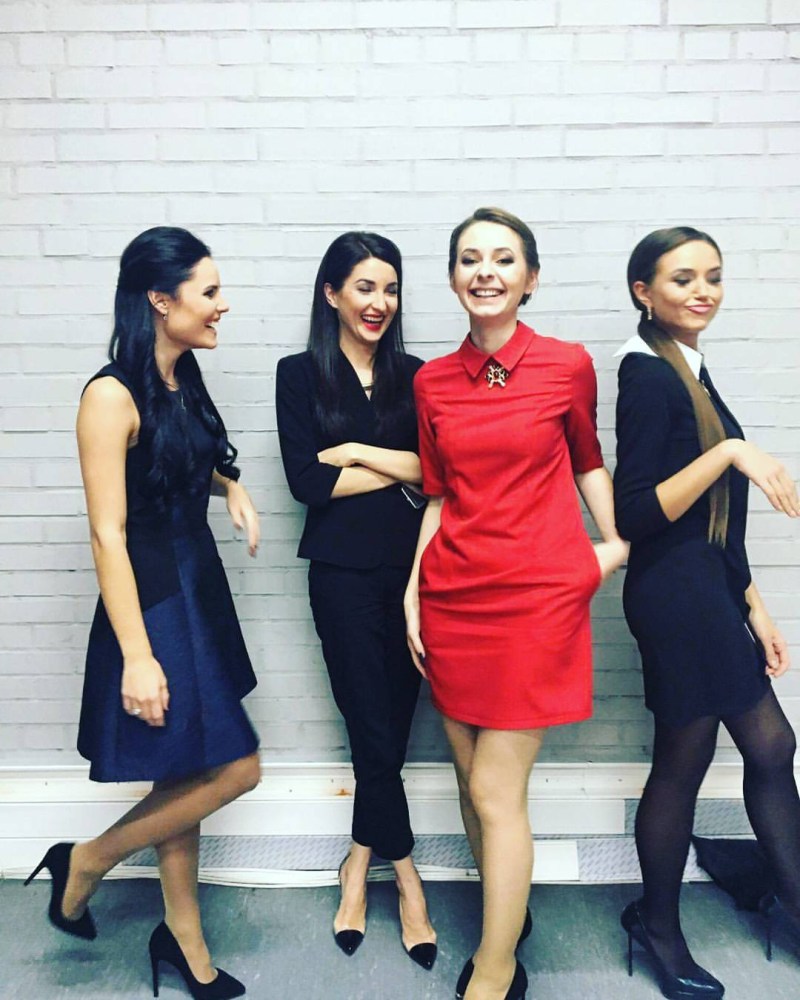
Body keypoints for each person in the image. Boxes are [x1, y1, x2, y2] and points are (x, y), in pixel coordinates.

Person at [25, 227, 262, 1000]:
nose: (222, 305)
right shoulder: (109, 396)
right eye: (209, 292)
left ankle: (183, 940)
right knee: (237, 768)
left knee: (186, 768)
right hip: (154, 599)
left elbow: (185, 457)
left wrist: (232, 486)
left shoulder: (179, 374)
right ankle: (87, 859)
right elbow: (108, 533)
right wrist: (136, 654)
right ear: (161, 299)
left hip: (199, 584)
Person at [405, 207, 627, 1000]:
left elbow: (588, 461)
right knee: (473, 782)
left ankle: (495, 970)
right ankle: (509, 914)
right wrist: (412, 592)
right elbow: (439, 496)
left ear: (530, 278)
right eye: (470, 259)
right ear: (452, 278)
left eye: (503, 259)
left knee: (497, 792)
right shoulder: (431, 381)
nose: (486, 272)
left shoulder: (567, 364)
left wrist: (611, 547)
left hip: (535, 603)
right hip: (452, 598)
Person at [614, 226, 800, 999]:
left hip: (707, 592)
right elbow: (634, 513)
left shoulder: (688, 366)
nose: (702, 291)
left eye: (713, 276)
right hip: (672, 598)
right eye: (683, 277)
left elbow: (715, 521)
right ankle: (657, 926)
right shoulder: (644, 373)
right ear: (644, 292)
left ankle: (787, 898)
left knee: (771, 745)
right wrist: (729, 453)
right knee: (687, 763)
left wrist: (754, 606)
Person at [275, 232, 437, 969]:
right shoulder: (298, 374)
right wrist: (400, 467)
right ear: (332, 293)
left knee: (390, 729)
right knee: (369, 723)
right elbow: (307, 484)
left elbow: (439, 473)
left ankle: (357, 859)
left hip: (415, 578)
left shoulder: (419, 376)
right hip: (339, 576)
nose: (380, 302)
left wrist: (357, 452)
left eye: (390, 289)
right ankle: (405, 877)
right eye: (365, 287)